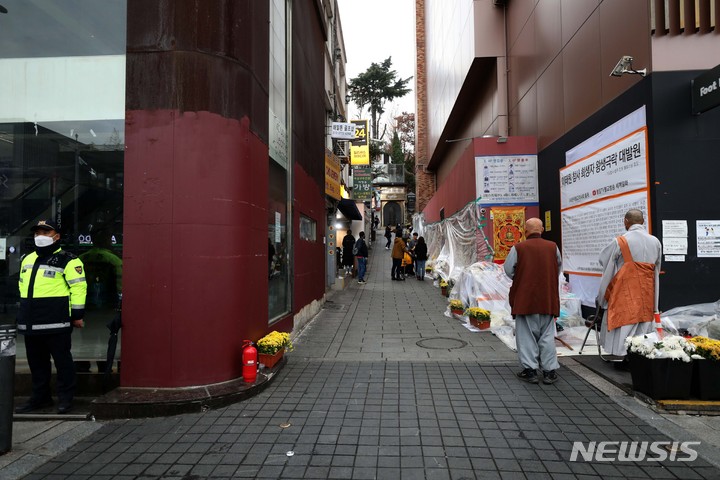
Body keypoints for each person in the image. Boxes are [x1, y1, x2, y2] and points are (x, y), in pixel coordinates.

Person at [16, 219, 87, 414]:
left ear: (57, 236)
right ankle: (40, 398)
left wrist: (77, 315)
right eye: (38, 232)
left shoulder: (69, 260)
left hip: (56, 321)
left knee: (63, 362)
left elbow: (79, 288)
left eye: (46, 233)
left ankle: (65, 399)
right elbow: (22, 287)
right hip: (31, 322)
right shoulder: (27, 259)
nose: (41, 236)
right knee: (37, 365)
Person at [596, 209, 661, 367]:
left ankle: (624, 356)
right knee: (643, 321)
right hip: (647, 289)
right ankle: (638, 357)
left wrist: (602, 295)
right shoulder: (655, 241)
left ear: (626, 221)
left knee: (624, 321)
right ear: (643, 222)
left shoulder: (621, 241)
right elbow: (657, 268)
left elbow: (604, 262)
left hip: (625, 289)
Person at [503, 218, 562, 385]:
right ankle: (549, 371)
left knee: (526, 336)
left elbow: (508, 270)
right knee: (548, 336)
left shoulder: (518, 248)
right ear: (542, 229)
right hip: (547, 298)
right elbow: (557, 268)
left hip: (525, 298)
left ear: (525, 230)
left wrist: (521, 277)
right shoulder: (553, 247)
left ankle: (530, 371)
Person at [80, 230, 122, 308]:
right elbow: (120, 283)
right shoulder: (114, 259)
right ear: (107, 240)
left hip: (84, 301)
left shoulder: (81, 258)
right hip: (108, 303)